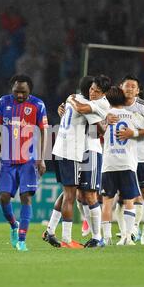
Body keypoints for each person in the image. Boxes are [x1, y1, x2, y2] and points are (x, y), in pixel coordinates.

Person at [0, 75, 48, 252]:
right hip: (7, 159)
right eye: (17, 91)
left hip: (28, 160)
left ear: (30, 90)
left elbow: (44, 131)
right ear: (11, 89)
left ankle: (22, 240)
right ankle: (14, 225)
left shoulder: (38, 105)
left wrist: (42, 158)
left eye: (24, 92)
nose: (20, 95)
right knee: (3, 197)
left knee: (26, 197)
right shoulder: (3, 102)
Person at [43, 76, 95, 248]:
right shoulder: (84, 106)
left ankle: (50, 230)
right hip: (70, 152)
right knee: (70, 196)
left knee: (67, 192)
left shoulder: (71, 98)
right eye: (94, 90)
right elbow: (98, 128)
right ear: (89, 90)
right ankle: (66, 238)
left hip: (60, 149)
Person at [109, 75, 144, 245]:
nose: (129, 89)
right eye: (126, 86)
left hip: (142, 157)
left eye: (133, 86)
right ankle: (127, 234)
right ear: (120, 87)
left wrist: (135, 133)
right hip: (122, 158)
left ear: (138, 90)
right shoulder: (114, 106)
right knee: (123, 197)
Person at [68, 75, 111, 248]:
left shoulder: (101, 104)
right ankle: (88, 222)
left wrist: (71, 100)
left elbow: (100, 130)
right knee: (79, 194)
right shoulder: (90, 100)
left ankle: (97, 236)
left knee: (91, 194)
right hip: (78, 150)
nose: (92, 93)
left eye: (97, 91)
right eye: (91, 89)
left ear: (104, 94)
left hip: (92, 150)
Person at [101, 86, 144, 245]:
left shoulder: (105, 116)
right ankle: (127, 236)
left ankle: (106, 238)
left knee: (107, 202)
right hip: (127, 163)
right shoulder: (133, 116)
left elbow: (96, 133)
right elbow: (143, 134)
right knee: (129, 202)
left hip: (109, 164)